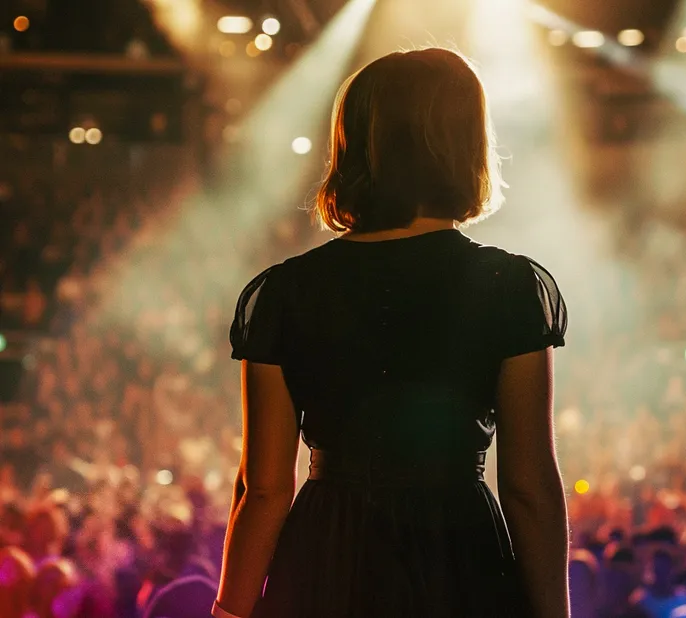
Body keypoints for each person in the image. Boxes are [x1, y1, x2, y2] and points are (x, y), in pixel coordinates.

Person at [212, 47, 570, 618]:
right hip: (457, 554)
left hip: (328, 553)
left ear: (350, 144)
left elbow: (264, 489)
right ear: (466, 146)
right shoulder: (508, 286)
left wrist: (229, 611)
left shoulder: (285, 292)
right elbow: (530, 487)